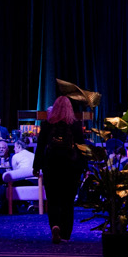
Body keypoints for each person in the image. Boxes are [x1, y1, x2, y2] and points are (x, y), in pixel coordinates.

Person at [36, 96, 84, 244]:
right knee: (68, 201)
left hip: (51, 166)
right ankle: (66, 234)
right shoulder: (75, 125)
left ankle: (55, 225)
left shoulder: (47, 125)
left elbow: (40, 147)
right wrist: (84, 167)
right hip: (71, 167)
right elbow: (82, 148)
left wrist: (36, 166)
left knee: (53, 200)